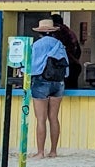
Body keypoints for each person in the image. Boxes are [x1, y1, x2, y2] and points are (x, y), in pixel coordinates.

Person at [28, 17, 69, 158]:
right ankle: (53, 151)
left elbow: (30, 66)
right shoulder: (59, 44)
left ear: (40, 32)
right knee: (54, 118)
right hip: (58, 83)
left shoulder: (36, 45)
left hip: (40, 81)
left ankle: (40, 152)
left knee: (41, 119)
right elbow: (66, 66)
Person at [50, 13, 84, 89]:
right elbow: (78, 51)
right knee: (72, 90)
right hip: (74, 65)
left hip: (63, 66)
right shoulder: (70, 32)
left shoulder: (56, 33)